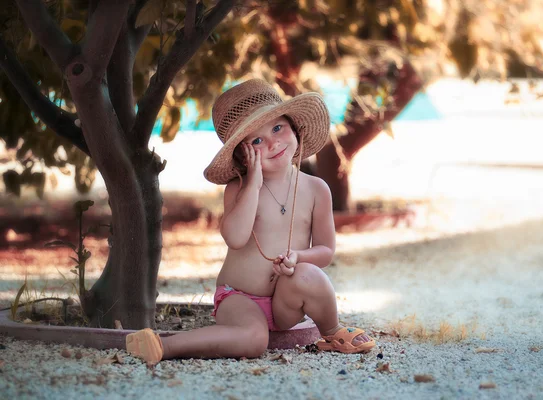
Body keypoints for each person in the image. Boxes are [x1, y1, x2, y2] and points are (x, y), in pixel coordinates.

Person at [126, 79, 375, 364]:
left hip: (286, 300)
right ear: (243, 157)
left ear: (295, 128)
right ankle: (162, 346)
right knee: (255, 340)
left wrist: (298, 256)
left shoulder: (316, 189)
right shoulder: (239, 189)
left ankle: (332, 332)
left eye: (277, 128)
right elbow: (235, 237)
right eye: (256, 141)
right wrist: (253, 185)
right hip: (239, 298)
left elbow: (326, 251)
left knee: (310, 274)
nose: (272, 143)